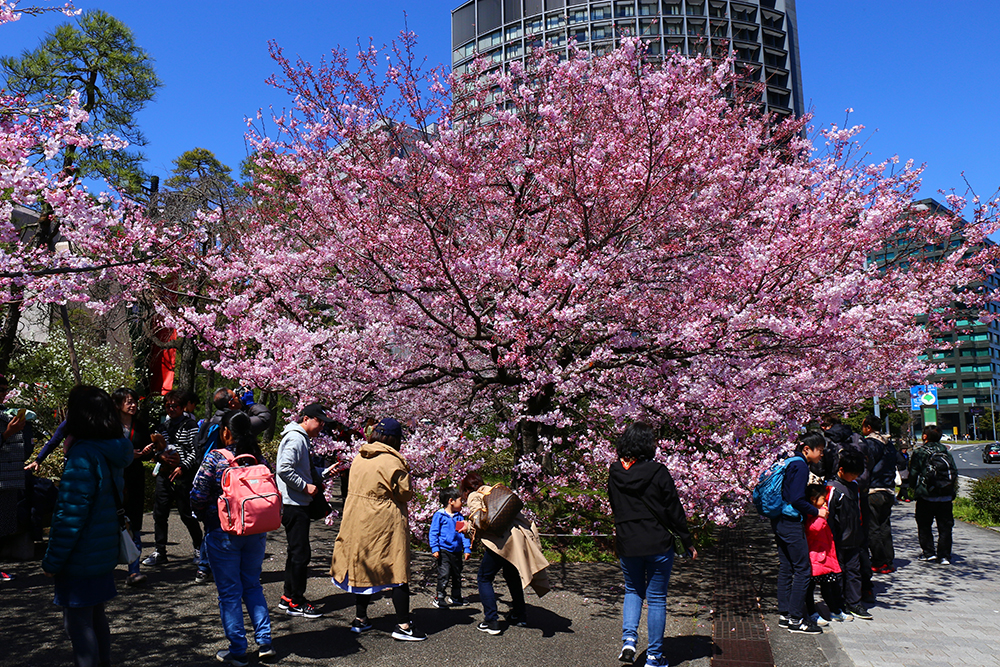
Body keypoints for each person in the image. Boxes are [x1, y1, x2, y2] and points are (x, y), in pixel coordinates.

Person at [41, 385, 133, 667]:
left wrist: (52, 561)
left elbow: (71, 515)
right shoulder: (113, 447)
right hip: (103, 550)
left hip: (81, 555)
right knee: (96, 619)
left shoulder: (83, 455)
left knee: (78, 627)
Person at [190, 410, 276, 666]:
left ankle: (238, 650)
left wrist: (203, 515)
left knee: (229, 593)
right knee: (252, 585)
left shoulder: (217, 458)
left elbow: (197, 494)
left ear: (226, 431)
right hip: (256, 531)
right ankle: (265, 641)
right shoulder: (257, 457)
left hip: (223, 532)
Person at [607, 422, 697, 667]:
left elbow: (615, 505)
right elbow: (674, 509)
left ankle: (628, 641)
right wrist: (686, 541)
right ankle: (654, 657)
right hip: (657, 542)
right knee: (656, 598)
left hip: (628, 541)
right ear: (648, 445)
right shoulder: (658, 471)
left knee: (633, 590)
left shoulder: (615, 471)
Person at [330, 417, 427, 641]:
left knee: (363, 567)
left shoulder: (360, 456)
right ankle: (403, 625)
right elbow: (405, 493)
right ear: (394, 439)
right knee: (396, 568)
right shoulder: (393, 462)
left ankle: (361, 618)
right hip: (383, 521)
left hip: (357, 518)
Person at [460, 470, 550, 638]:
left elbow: (481, 522)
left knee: (484, 577)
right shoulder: (494, 489)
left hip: (500, 543)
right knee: (511, 575)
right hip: (516, 540)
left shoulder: (474, 495)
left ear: (466, 489)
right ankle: (519, 615)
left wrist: (468, 527)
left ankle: (491, 621)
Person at [142, 389, 205, 582]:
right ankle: (160, 551)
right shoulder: (163, 426)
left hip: (183, 475)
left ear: (182, 406)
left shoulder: (191, 425)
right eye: (167, 406)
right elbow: (155, 450)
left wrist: (183, 468)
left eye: (174, 406)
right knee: (160, 513)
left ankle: (199, 547)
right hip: (164, 473)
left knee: (187, 513)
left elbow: (196, 451)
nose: (170, 409)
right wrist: (158, 457)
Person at [276, 403, 330, 619]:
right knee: (300, 553)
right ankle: (296, 601)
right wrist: (304, 486)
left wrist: (320, 473)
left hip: (296, 502)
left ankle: (288, 596)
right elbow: (283, 468)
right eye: (319, 422)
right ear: (306, 418)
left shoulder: (300, 438)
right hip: (293, 503)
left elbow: (297, 468)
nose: (321, 427)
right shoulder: (296, 438)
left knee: (295, 552)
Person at [772, 431, 827, 635]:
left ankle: (785, 614)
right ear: (807, 449)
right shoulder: (800, 465)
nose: (821, 455)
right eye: (819, 450)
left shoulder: (789, 461)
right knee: (803, 569)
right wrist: (817, 511)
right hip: (791, 522)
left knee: (787, 567)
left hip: (779, 519)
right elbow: (796, 499)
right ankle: (796, 618)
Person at [111, 388, 154, 587]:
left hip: (135, 477)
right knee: (111, 522)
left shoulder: (141, 426)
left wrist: (145, 453)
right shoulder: (109, 426)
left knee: (134, 524)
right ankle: (105, 569)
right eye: (129, 401)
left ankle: (134, 570)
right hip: (114, 478)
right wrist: (127, 455)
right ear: (118, 404)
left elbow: (148, 451)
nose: (133, 405)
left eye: (135, 401)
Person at [826, 447, 873, 621]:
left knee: (854, 570)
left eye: (857, 475)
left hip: (854, 537)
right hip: (837, 538)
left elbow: (859, 511)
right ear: (841, 470)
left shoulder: (854, 487)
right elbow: (828, 516)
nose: (854, 478)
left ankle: (854, 603)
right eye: (852, 475)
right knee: (838, 572)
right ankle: (839, 603)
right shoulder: (833, 489)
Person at [909, 425, 958, 565]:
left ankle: (929, 553)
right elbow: (954, 471)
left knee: (924, 525)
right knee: (945, 527)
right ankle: (944, 556)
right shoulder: (946, 452)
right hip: (946, 496)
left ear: (925, 436)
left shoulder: (920, 452)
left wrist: (913, 488)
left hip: (926, 495)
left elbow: (913, 473)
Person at [803, 484, 850, 624]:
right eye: (823, 499)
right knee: (810, 588)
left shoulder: (818, 513)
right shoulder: (811, 515)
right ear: (813, 499)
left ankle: (835, 611)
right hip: (814, 558)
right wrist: (821, 517)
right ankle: (812, 612)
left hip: (824, 557)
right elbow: (813, 529)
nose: (825, 502)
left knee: (828, 587)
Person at [0, 373, 29, 582]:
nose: (3, 394)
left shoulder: (4, 412)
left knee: (3, 525)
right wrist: (7, 434)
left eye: (4, 390)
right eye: (0, 390)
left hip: (7, 477)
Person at [861, 415, 897, 574]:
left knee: (873, 528)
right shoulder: (889, 444)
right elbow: (900, 463)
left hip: (874, 490)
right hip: (888, 490)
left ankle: (878, 561)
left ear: (868, 427)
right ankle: (888, 560)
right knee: (884, 526)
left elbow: (867, 466)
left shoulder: (871, 443)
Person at [429, 486, 472, 608]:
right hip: (444, 550)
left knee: (457, 574)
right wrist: (435, 548)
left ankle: (456, 596)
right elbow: (434, 532)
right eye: (460, 500)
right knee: (444, 574)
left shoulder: (459, 517)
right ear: (451, 501)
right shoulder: (440, 515)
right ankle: (440, 596)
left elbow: (464, 534)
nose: (462, 504)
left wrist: (467, 548)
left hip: (456, 550)